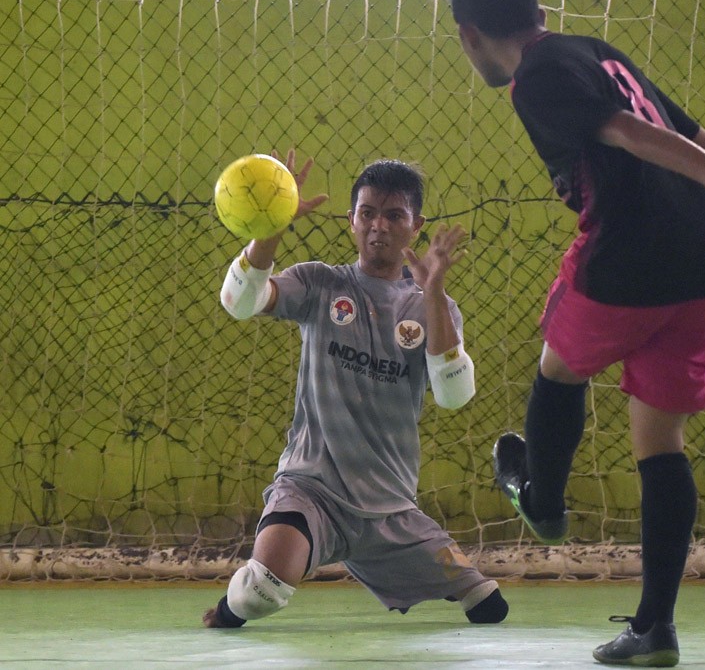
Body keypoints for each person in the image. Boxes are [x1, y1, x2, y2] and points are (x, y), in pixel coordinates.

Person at [442, 0, 705, 667]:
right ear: (539, 8)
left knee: (557, 367)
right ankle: (655, 629)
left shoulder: (534, 78)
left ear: (470, 35)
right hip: (701, 264)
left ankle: (544, 500)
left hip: (627, 253)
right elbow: (690, 131)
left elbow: (625, 131)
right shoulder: (596, 50)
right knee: (661, 440)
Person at [203, 152, 508, 629]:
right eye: (367, 213)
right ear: (350, 221)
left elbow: (454, 397)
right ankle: (227, 608)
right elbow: (239, 302)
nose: (378, 226)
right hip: (312, 492)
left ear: (416, 225)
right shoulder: (320, 283)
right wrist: (272, 227)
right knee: (260, 593)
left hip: (391, 511)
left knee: (489, 605)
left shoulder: (435, 306)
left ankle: (395, 562)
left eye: (394, 215)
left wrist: (432, 296)